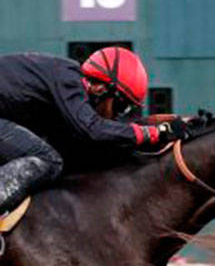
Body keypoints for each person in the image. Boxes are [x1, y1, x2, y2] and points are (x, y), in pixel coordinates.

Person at [0, 47, 188, 214]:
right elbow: (93, 129)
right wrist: (154, 133)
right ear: (104, 89)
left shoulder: (68, 89)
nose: (118, 116)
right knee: (47, 159)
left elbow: (91, 138)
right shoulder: (69, 80)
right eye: (121, 106)